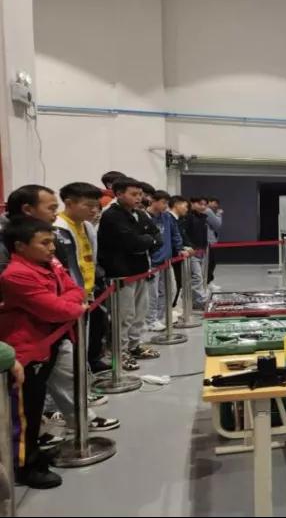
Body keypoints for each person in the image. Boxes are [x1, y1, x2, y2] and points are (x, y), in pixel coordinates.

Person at [0, 218, 87, 488]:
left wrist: (70, 303)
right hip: (26, 349)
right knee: (24, 412)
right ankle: (23, 466)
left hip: (49, 342)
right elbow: (56, 310)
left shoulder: (49, 265)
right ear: (20, 246)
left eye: (52, 242)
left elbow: (75, 289)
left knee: (35, 407)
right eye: (45, 243)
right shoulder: (16, 274)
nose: (52, 248)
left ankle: (33, 451)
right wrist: (72, 306)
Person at [48, 183, 119, 432]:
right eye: (88, 205)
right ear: (69, 202)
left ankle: (79, 397)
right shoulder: (57, 230)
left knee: (80, 352)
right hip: (65, 304)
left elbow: (89, 260)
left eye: (95, 206)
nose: (93, 211)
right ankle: (56, 409)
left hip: (85, 296)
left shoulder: (87, 227)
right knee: (64, 362)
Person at [97, 177, 163, 371]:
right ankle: (119, 351)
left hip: (140, 270)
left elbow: (157, 237)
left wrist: (147, 240)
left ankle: (134, 345)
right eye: (133, 194)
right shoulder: (112, 216)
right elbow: (131, 242)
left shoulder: (140, 214)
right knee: (123, 316)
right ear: (119, 194)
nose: (138, 198)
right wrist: (147, 240)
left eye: (140, 194)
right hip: (120, 273)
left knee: (139, 313)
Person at [146, 190, 186, 331]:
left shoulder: (167, 217)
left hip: (166, 260)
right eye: (163, 202)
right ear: (153, 201)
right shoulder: (146, 217)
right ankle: (150, 320)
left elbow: (175, 234)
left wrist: (180, 248)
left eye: (167, 203)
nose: (165, 206)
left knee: (167, 291)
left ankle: (160, 317)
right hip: (152, 262)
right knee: (152, 294)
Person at [0, 185, 59, 275]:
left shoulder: (47, 233)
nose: (56, 214)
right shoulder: (2, 242)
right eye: (51, 208)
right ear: (27, 210)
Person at [182, 197, 210, 310]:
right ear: (192, 204)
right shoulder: (188, 217)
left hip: (201, 251)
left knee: (199, 277)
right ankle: (200, 301)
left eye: (205, 204)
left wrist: (204, 248)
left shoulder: (203, 218)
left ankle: (196, 300)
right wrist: (190, 247)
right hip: (192, 251)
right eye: (200, 204)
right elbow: (184, 233)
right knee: (197, 277)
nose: (203, 206)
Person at [168, 196, 193, 307]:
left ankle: (173, 307)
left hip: (178, 255)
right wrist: (180, 250)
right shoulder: (168, 219)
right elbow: (170, 239)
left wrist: (185, 247)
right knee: (172, 285)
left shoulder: (178, 220)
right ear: (176, 204)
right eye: (185, 206)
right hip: (171, 257)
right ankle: (170, 308)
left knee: (178, 283)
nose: (186, 209)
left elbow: (180, 237)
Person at [205, 197, 223, 291]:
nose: (216, 205)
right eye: (215, 203)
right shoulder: (208, 211)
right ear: (209, 202)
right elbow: (217, 224)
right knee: (211, 263)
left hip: (208, 241)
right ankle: (208, 282)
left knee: (210, 263)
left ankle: (208, 282)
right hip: (208, 242)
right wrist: (219, 214)